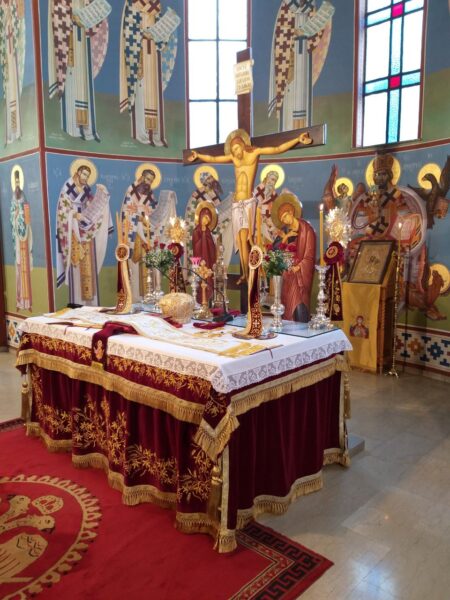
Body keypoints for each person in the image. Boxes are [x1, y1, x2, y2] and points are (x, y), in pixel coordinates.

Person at [188, 129, 312, 282]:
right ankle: (245, 274)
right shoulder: (234, 158)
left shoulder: (254, 153)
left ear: (242, 145)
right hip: (236, 204)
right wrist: (198, 155)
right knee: (239, 240)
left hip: (247, 203)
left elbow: (277, 148)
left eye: (237, 148)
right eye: (233, 150)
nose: (235, 152)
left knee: (246, 237)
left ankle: (248, 274)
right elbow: (214, 158)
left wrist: (297, 139)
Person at [268, 0, 335, 131]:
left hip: (304, 58)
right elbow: (281, 34)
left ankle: (303, 129)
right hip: (288, 59)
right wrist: (292, 42)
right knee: (289, 94)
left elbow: (316, 36)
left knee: (302, 96)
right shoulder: (286, 5)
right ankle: (287, 130)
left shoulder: (310, 5)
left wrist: (306, 35)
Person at [120, 0, 179, 146]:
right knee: (140, 92)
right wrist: (142, 35)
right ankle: (142, 133)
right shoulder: (132, 3)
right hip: (139, 54)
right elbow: (128, 29)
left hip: (153, 55)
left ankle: (156, 134)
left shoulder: (155, 4)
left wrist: (160, 35)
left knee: (154, 92)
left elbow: (161, 28)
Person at [48, 0, 109, 141]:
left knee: (84, 83)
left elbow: (96, 7)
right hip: (68, 37)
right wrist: (71, 16)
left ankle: (88, 129)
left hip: (83, 39)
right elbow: (56, 6)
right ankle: (73, 127)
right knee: (71, 81)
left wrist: (87, 17)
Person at [56, 162, 112, 305]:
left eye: (88, 175)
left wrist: (102, 195)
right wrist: (75, 215)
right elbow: (63, 210)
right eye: (84, 174)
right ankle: (77, 303)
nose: (86, 178)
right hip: (74, 230)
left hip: (86, 230)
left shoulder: (86, 188)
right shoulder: (68, 186)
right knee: (76, 267)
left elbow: (92, 204)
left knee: (89, 265)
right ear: (78, 173)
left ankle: (91, 305)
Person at [272, 193, 316, 322]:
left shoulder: (307, 230)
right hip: (288, 273)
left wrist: (299, 266)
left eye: (285, 216)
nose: (285, 221)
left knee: (299, 301)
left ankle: (301, 325)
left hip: (300, 272)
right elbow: (275, 251)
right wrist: (285, 238)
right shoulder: (284, 231)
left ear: (291, 212)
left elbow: (310, 254)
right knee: (288, 302)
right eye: (282, 219)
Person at [121, 168, 158, 301]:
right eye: (147, 179)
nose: (148, 183)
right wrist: (139, 217)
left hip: (145, 236)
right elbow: (127, 210)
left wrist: (146, 219)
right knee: (134, 267)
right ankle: (135, 298)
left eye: (151, 181)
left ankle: (148, 297)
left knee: (147, 266)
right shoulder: (131, 190)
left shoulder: (151, 195)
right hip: (133, 233)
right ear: (141, 177)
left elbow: (153, 212)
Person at [0, 0, 25, 145]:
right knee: (9, 93)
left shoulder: (15, 3)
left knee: (15, 92)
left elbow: (20, 22)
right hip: (6, 59)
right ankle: (9, 135)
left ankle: (18, 131)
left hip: (14, 56)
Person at [10, 167, 32, 311]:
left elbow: (28, 216)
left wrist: (22, 215)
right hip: (17, 238)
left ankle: (28, 303)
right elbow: (11, 216)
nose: (17, 185)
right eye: (16, 182)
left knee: (26, 269)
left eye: (19, 182)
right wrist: (16, 214)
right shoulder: (13, 198)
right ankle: (19, 301)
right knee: (19, 268)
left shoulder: (24, 197)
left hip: (25, 237)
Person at [192, 202, 217, 302]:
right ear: (200, 216)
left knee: (209, 280)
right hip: (200, 261)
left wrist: (206, 236)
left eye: (208, 220)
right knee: (200, 281)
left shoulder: (208, 232)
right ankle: (200, 301)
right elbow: (195, 247)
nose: (206, 221)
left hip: (208, 262)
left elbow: (212, 247)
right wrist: (202, 236)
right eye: (205, 218)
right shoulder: (196, 231)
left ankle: (208, 300)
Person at [253, 170, 279, 244]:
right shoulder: (258, 189)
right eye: (271, 179)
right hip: (257, 220)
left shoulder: (274, 194)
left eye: (274, 181)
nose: (272, 182)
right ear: (267, 178)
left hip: (269, 221)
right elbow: (254, 206)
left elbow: (276, 209)